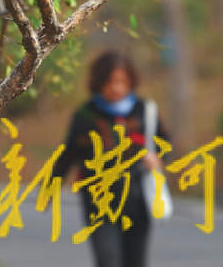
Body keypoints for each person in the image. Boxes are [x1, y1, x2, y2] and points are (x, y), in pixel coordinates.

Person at [52, 51, 167, 267]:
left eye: (122, 82)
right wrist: (52, 184)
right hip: (99, 200)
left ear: (131, 81)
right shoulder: (86, 114)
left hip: (137, 198)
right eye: (110, 82)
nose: (116, 88)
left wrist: (157, 158)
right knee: (108, 260)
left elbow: (164, 143)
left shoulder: (144, 110)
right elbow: (69, 152)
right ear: (98, 83)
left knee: (135, 261)